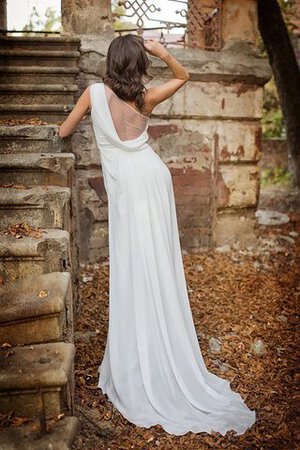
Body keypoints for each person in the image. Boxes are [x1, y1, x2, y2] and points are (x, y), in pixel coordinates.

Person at [58, 34, 256, 436]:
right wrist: (162, 51)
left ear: (112, 62)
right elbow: (183, 76)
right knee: (156, 261)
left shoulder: (94, 92)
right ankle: (158, 339)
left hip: (129, 186)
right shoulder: (145, 98)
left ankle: (141, 350)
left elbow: (63, 132)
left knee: (133, 262)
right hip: (152, 176)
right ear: (137, 62)